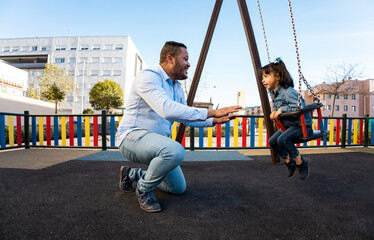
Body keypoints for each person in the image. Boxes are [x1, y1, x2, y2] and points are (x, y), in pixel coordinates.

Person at [116, 41, 242, 212]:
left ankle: (132, 174)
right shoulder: (149, 76)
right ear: (170, 58)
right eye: (185, 59)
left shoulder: (176, 87)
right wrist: (212, 112)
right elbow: (167, 109)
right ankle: (144, 188)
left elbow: (186, 116)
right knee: (175, 151)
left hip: (156, 144)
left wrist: (213, 121)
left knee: (177, 188)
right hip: (131, 138)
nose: (189, 64)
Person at [261, 57, 311, 180]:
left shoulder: (288, 91)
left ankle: (301, 162)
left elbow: (299, 106)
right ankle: (289, 162)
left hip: (301, 125)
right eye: (262, 77)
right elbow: (280, 106)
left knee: (282, 139)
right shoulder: (273, 93)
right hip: (289, 125)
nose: (263, 80)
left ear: (277, 76)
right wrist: (274, 112)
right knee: (272, 141)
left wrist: (281, 110)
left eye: (266, 76)